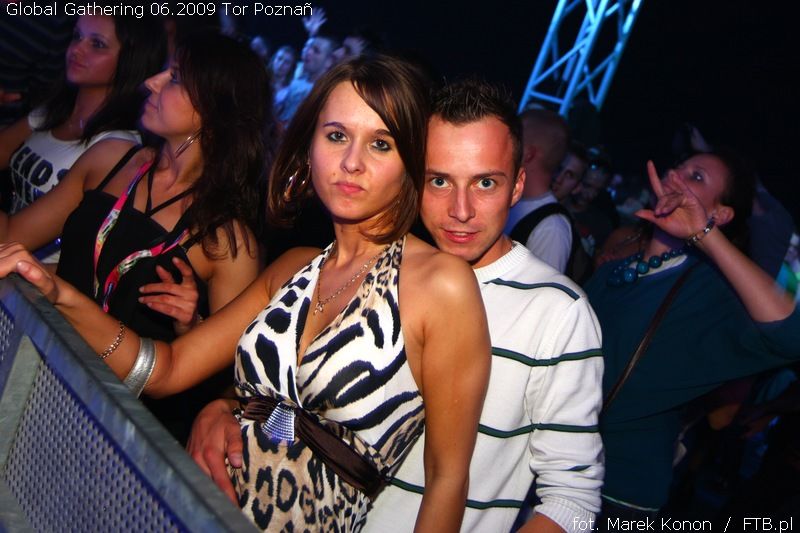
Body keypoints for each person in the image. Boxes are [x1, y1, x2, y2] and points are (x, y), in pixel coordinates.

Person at [0, 55, 491, 532]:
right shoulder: (293, 267)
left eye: (381, 144)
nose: (351, 163)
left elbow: (447, 480)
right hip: (186, 510)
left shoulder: (440, 284)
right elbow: (166, 370)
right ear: (309, 146)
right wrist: (59, 296)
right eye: (336, 135)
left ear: (411, 161)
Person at [188, 79, 603, 532]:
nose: (461, 210)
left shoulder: (558, 311)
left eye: (485, 183)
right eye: (439, 180)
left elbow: (574, 503)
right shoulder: (370, 272)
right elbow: (300, 393)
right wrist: (223, 407)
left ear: (518, 184)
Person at [0, 32, 267, 441]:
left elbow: (231, 385)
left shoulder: (227, 241)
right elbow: (14, 235)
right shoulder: (111, 159)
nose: (150, 83)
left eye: (174, 77)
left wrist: (190, 326)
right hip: (41, 369)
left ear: (214, 108)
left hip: (119, 426)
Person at [585, 150, 799, 519]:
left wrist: (704, 234)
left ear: (720, 214)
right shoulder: (613, 272)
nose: (675, 176)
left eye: (696, 177)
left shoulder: (713, 291)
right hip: (555, 465)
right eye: (678, 168)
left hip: (619, 491)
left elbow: (790, 337)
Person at [0, 15, 166, 261]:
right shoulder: (54, 111)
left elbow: (10, 237)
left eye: (97, 44)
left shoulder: (117, 147)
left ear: (131, 59)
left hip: (36, 275)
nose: (77, 49)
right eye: (77, 36)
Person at [504, 107, 574, 274]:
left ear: (528, 154)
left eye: (513, 139)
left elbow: (541, 288)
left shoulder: (551, 228)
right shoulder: (506, 198)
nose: (504, 145)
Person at [275, 34, 339, 124]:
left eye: (316, 51)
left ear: (329, 61)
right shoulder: (296, 82)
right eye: (308, 47)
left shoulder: (324, 94)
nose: (308, 52)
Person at [270, 45, 298, 110]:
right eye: (279, 59)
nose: (281, 64)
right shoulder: (260, 79)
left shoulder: (292, 89)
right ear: (274, 59)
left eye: (287, 62)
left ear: (291, 67)